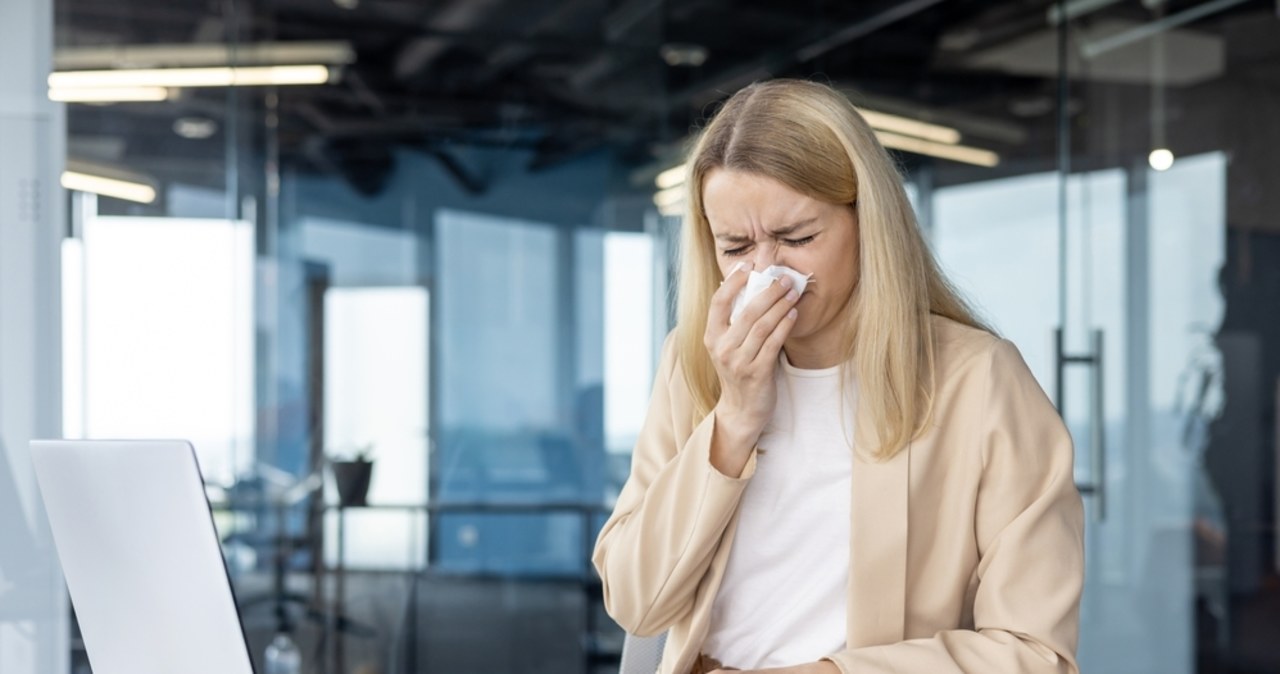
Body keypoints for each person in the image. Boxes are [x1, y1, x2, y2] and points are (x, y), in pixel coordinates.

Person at [591, 79, 1085, 674]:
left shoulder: (977, 379)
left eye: (797, 238)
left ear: (867, 223)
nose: (765, 273)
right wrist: (734, 419)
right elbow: (635, 605)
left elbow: (1034, 653)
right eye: (735, 247)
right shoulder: (692, 362)